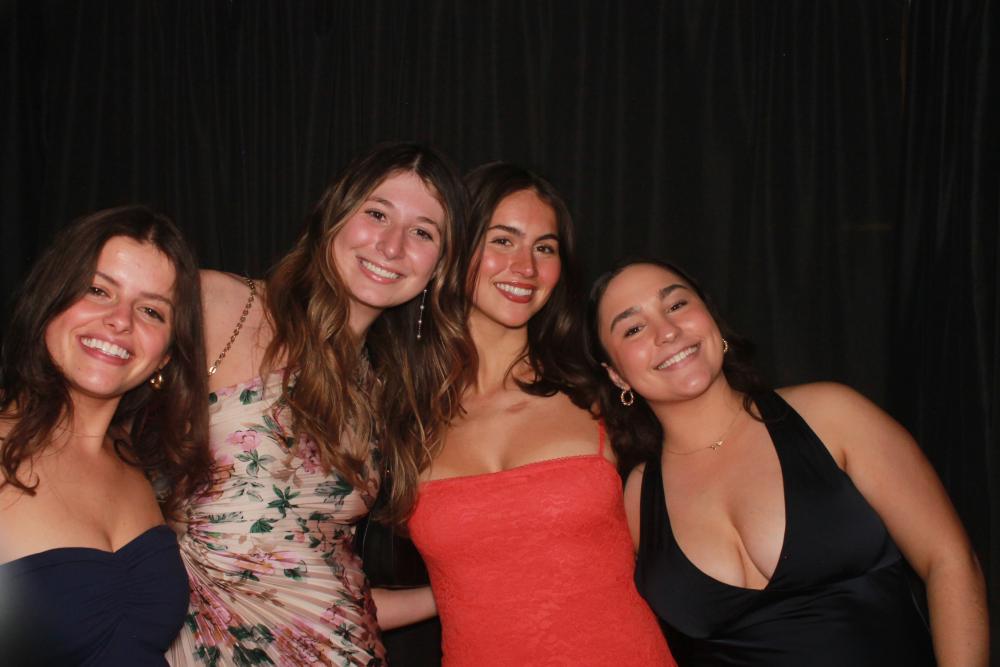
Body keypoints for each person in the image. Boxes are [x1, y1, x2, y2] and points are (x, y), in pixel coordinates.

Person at [587, 258, 989, 667]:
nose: (667, 331)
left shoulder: (831, 416)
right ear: (617, 375)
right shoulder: (636, 498)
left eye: (676, 305)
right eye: (633, 328)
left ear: (710, 317)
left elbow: (949, 560)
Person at [167, 142, 469, 666]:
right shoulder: (222, 306)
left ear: (440, 265)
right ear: (335, 214)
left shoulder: (383, 395)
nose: (392, 246)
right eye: (377, 214)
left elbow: (321, 582)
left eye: (423, 232)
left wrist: (464, 589)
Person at [404, 163, 674, 666]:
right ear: (455, 247)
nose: (525, 266)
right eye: (502, 240)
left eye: (545, 248)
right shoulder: (402, 416)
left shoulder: (600, 391)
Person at [0, 206, 211, 665]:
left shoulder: (141, 461)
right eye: (98, 290)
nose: (120, 320)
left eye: (151, 310)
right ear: (50, 301)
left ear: (166, 355)